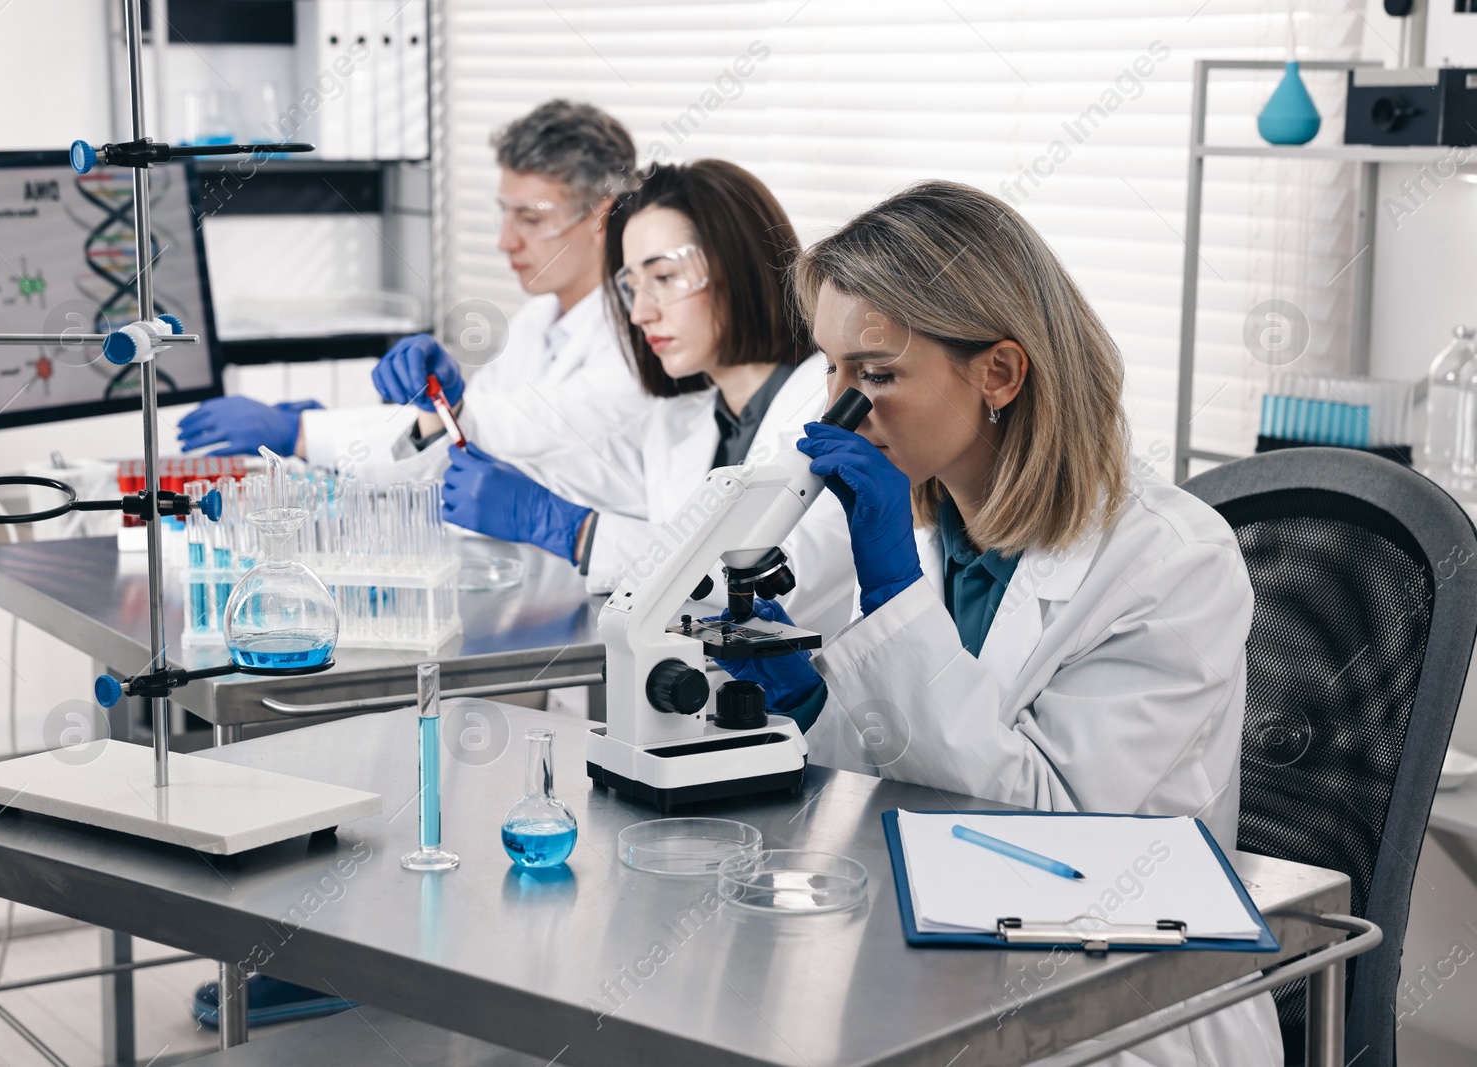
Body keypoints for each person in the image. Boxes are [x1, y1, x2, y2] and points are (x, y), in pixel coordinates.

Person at [719, 180, 1278, 1067]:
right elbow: (906, 776)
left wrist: (895, 600)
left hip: (1115, 992)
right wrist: (812, 707)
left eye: (877, 376)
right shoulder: (924, 524)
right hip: (929, 953)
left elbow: (1046, 834)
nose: (840, 411)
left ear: (1000, 373)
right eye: (831, 370)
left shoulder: (1175, 563)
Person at [439, 159, 856, 643]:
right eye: (631, 286)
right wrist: (446, 417)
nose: (640, 312)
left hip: (804, 712)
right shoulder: (681, 423)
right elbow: (552, 479)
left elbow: (781, 589)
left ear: (740, 265)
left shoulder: (832, 410)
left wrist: (577, 533)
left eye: (663, 278)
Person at [177, 100, 652, 483]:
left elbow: (503, 430)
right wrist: (330, 427)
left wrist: (303, 432)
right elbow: (441, 448)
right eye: (505, 215)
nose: (505, 241)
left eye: (530, 219)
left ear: (600, 217)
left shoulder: (641, 337)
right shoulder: (538, 322)